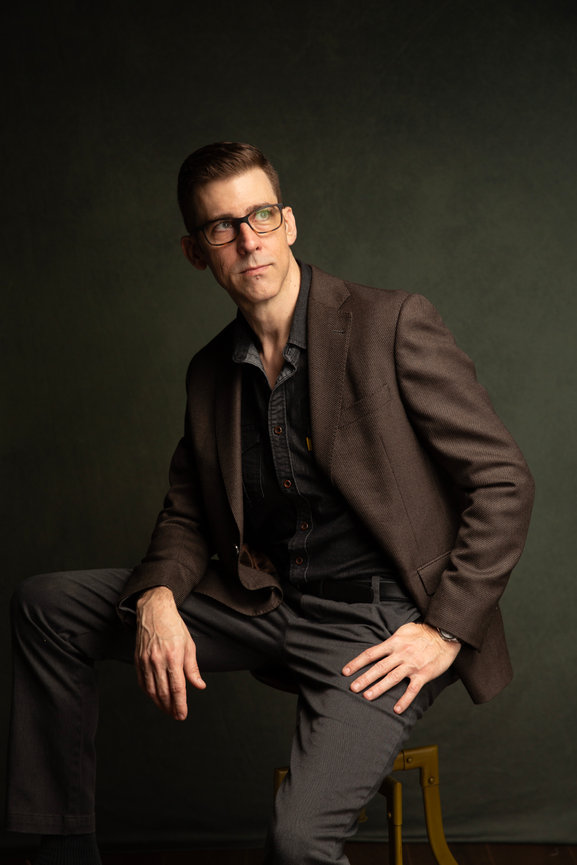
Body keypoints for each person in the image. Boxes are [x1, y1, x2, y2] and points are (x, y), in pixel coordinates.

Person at [6, 142, 535, 865]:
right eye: (222, 227)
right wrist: (156, 597)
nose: (248, 239)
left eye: (259, 215)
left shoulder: (390, 322)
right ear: (196, 252)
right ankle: (63, 854)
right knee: (46, 606)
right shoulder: (209, 372)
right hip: (263, 603)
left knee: (296, 844)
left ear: (287, 223)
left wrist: (443, 629)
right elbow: (188, 513)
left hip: (375, 627)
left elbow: (503, 480)